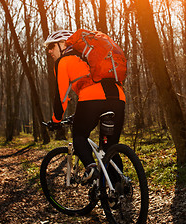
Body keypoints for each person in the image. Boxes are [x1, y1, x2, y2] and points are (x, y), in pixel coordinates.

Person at [44, 30, 126, 184]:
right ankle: (119, 188)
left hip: (92, 99)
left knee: (79, 136)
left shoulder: (63, 61)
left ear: (63, 44)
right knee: (109, 148)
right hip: (118, 97)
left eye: (52, 46)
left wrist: (56, 120)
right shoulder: (88, 57)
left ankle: (91, 168)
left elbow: (61, 98)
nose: (49, 51)